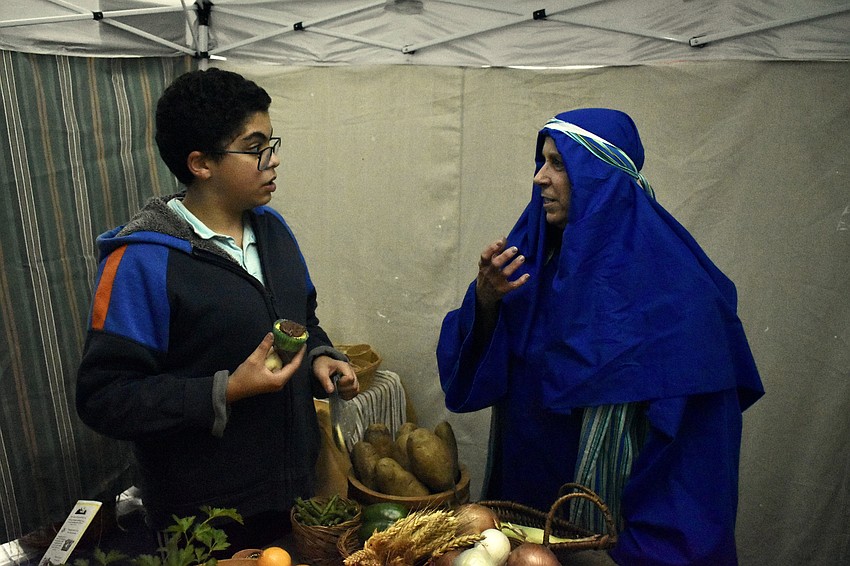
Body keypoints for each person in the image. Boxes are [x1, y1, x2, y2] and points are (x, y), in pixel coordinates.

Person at [437, 108, 764, 565]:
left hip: (609, 533)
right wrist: (487, 300)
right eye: (541, 161)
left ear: (599, 176)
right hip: (525, 509)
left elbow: (694, 458)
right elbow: (478, 368)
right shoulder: (535, 261)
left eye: (558, 163)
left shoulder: (679, 289)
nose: (539, 178)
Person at [76, 68, 358, 549]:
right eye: (254, 148)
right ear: (200, 164)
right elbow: (106, 397)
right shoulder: (142, 260)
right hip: (205, 523)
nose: (273, 161)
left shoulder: (273, 232)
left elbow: (302, 319)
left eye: (272, 143)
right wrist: (225, 391)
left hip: (291, 497)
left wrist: (320, 356)